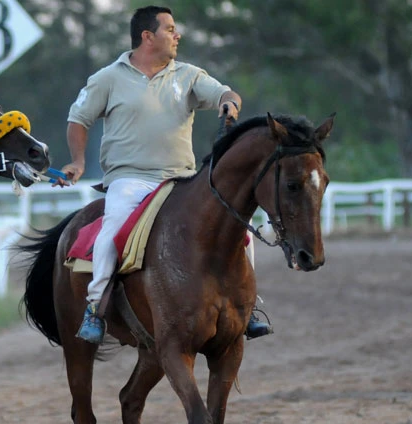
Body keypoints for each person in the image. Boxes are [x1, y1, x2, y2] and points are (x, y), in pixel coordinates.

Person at [59, 5, 273, 344]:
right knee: (112, 230)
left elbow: (224, 92)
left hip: (182, 179)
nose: (178, 35)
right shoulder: (107, 79)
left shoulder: (189, 75)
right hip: (129, 178)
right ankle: (95, 308)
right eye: (170, 29)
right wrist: (78, 162)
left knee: (239, 232)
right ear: (148, 36)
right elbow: (78, 121)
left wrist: (229, 102)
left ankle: (248, 307)